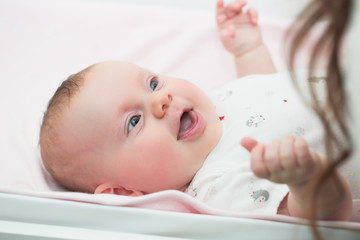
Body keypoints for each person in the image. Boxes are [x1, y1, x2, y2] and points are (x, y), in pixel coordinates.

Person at [39, 0, 352, 220]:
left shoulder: (214, 103)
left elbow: (260, 88)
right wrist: (307, 180)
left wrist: (248, 49)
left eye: (151, 84)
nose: (160, 100)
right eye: (134, 121)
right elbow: (327, 218)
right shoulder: (219, 187)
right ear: (122, 191)